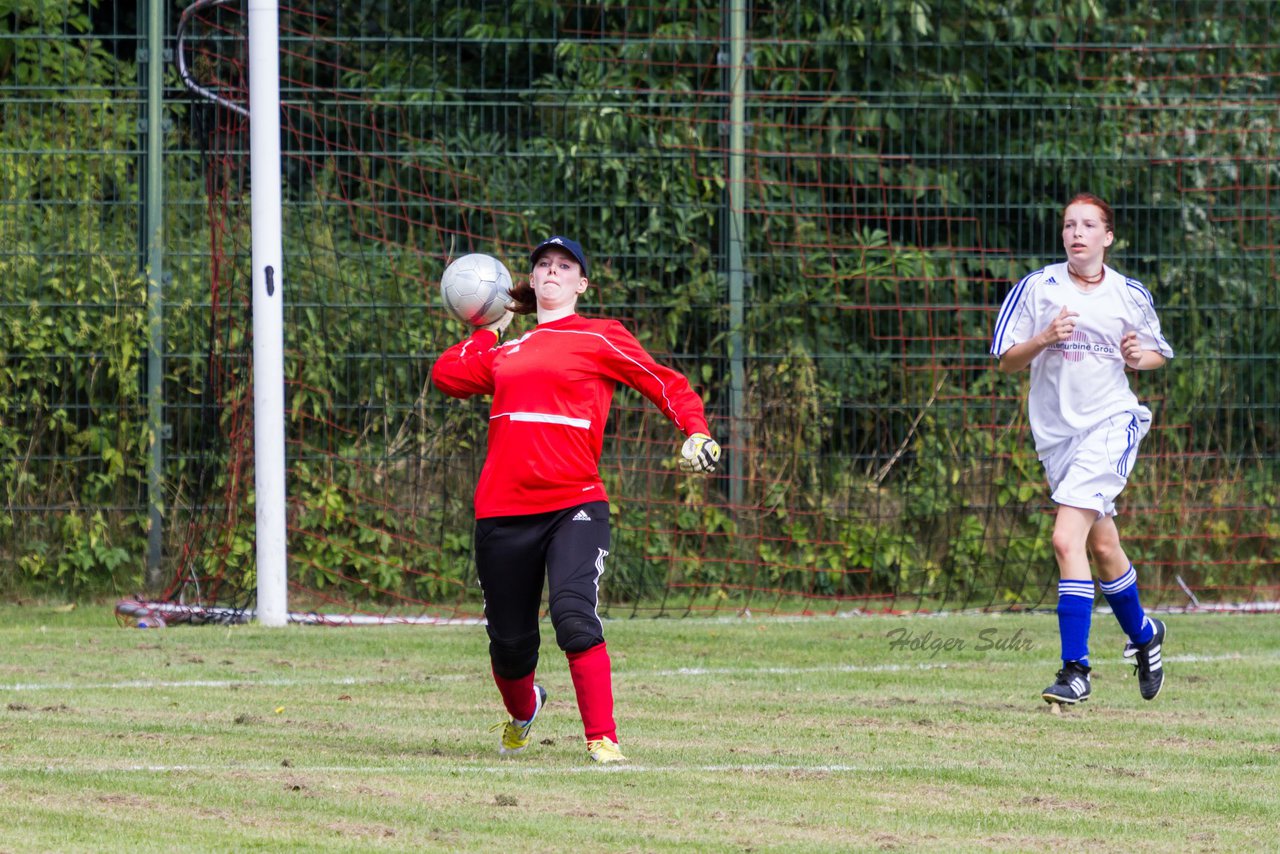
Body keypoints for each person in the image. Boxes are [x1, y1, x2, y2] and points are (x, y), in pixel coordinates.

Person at [431, 235, 721, 762]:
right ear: (533, 279)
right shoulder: (506, 352)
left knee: (573, 614)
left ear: (581, 284)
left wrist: (695, 430)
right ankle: (525, 709)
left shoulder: (600, 336)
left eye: (565, 266)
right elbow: (446, 375)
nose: (552, 272)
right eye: (543, 265)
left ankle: (602, 738)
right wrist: (486, 328)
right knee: (511, 646)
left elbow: (667, 384)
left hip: (575, 504)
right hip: (501, 511)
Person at [990, 193, 1174, 707]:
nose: (1077, 233)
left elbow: (1157, 351)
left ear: (1107, 237)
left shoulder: (1128, 294)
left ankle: (1076, 670)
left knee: (1065, 538)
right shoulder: (1038, 288)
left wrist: (1143, 356)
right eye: (1070, 225)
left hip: (1110, 426)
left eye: (1089, 225)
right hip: (1057, 436)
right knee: (1103, 547)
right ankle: (1145, 635)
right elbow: (1005, 360)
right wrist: (1045, 336)